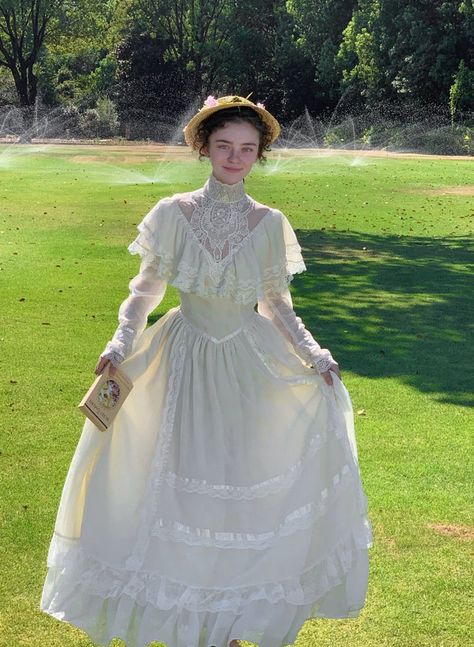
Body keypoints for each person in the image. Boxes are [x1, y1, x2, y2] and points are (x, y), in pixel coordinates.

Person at [40, 95, 372, 647]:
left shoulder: (270, 223)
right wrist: (120, 343)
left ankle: (233, 614)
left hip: (248, 364)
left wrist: (313, 353)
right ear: (204, 147)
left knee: (239, 477)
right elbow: (144, 291)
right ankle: (186, 610)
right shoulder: (173, 213)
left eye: (247, 149)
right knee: (178, 478)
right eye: (224, 147)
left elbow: (277, 303)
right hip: (183, 359)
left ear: (259, 153)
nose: (235, 158)